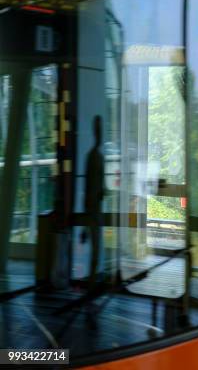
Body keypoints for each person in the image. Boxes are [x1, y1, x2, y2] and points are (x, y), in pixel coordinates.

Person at [85, 115, 106, 292]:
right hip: (93, 209)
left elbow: (93, 184)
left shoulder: (96, 156)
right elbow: (91, 184)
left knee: (96, 246)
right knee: (95, 246)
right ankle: (91, 282)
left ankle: (91, 281)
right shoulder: (95, 157)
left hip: (94, 208)